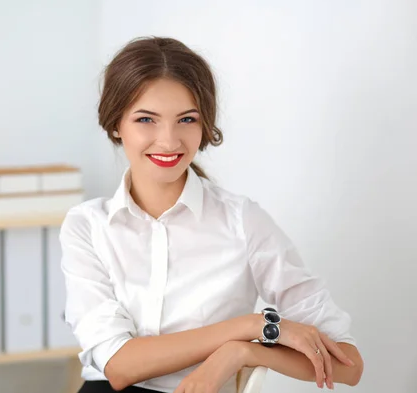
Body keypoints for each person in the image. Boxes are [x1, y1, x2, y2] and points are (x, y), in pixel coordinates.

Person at [59, 36, 363, 393]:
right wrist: (249, 328)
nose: (169, 141)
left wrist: (241, 354)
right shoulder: (86, 226)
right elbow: (120, 367)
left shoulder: (243, 221)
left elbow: (349, 365)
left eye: (187, 119)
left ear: (204, 125)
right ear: (115, 124)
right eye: (146, 119)